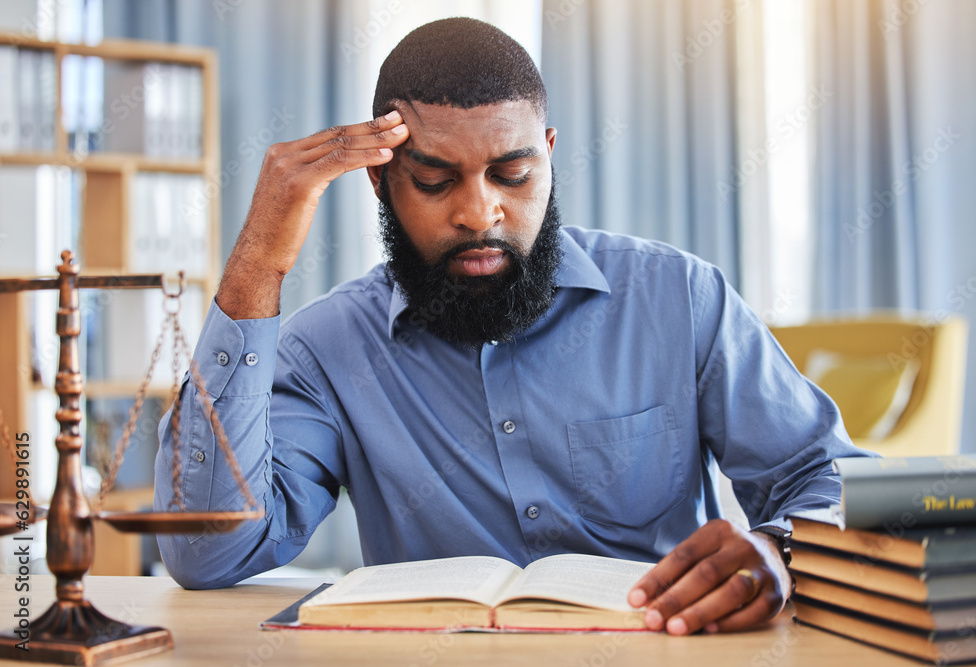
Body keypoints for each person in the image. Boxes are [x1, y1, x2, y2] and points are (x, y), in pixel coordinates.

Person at [155, 17, 871, 636]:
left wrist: (779, 550)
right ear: (379, 180)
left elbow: (827, 476)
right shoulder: (328, 349)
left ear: (550, 156)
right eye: (435, 181)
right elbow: (207, 553)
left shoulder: (677, 297)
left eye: (513, 174)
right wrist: (257, 266)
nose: (479, 212)